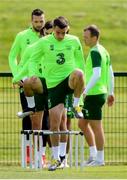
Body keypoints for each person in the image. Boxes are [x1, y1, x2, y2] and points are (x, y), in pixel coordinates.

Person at [15, 16, 85, 171]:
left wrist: (82, 86)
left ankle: (76, 106)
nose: (61, 36)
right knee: (54, 125)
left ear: (68, 30)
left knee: (79, 73)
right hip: (53, 86)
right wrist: (33, 76)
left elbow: (80, 62)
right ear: (53, 29)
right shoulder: (43, 42)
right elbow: (32, 60)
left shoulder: (74, 41)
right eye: (58, 32)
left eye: (64, 33)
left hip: (68, 81)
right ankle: (56, 158)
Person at [8, 9, 45, 163]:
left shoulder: (48, 37)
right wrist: (17, 76)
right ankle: (28, 154)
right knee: (28, 115)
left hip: (45, 82)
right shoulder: (22, 36)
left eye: (41, 21)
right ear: (31, 21)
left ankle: (41, 155)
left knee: (45, 118)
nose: (39, 24)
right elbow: (12, 56)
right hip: (27, 83)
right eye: (36, 21)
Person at [78, 25, 115, 166]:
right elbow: (111, 74)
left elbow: (97, 74)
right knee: (82, 123)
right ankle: (94, 155)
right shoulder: (104, 51)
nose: (84, 40)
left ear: (95, 37)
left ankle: (99, 159)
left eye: (86, 38)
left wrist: (85, 90)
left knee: (96, 127)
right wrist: (111, 92)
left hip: (94, 93)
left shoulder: (95, 52)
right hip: (101, 92)